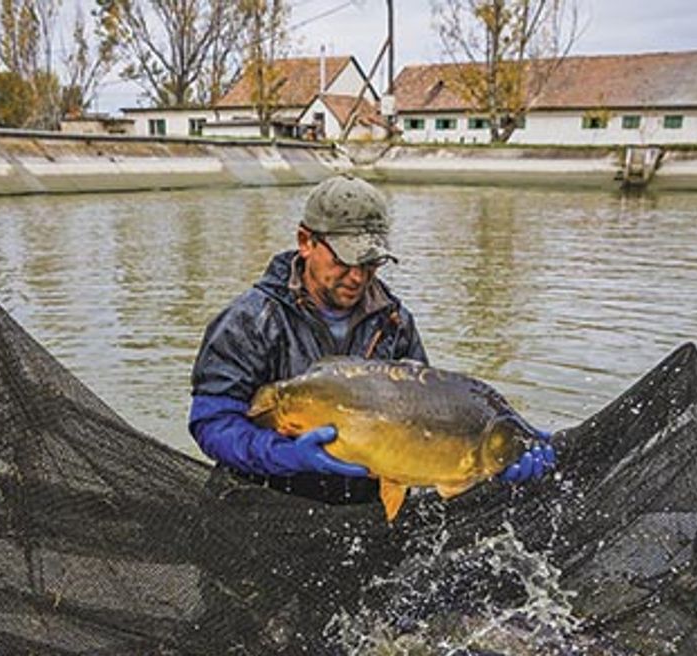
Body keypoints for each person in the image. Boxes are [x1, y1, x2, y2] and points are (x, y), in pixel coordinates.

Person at [188, 175, 554, 507]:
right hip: (261, 510)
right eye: (345, 261)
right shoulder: (250, 320)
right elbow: (211, 422)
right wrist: (283, 454)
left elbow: (426, 423)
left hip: (361, 515)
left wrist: (496, 453)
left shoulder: (396, 323)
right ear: (306, 242)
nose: (358, 277)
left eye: (370, 264)